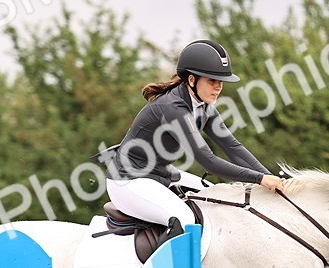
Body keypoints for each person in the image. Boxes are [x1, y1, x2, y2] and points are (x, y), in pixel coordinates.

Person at [100, 39, 284, 242]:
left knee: (219, 199)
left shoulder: (204, 107)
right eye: (212, 81)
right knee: (184, 219)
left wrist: (271, 178)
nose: (218, 87)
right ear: (192, 80)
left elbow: (232, 148)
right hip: (127, 182)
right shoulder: (173, 108)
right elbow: (208, 162)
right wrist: (259, 179)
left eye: (221, 82)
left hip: (161, 174)